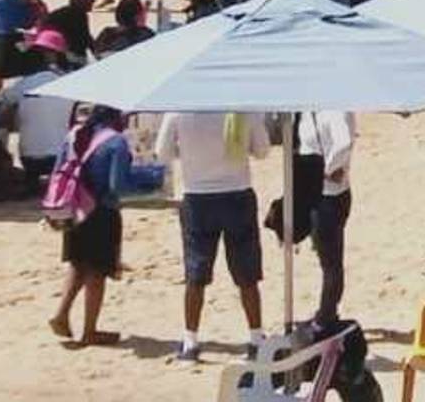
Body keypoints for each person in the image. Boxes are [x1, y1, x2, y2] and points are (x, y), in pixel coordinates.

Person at [155, 110, 271, 360]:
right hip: (237, 192)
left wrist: (189, 152)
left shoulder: (178, 110)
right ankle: (255, 337)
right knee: (246, 273)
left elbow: (162, 153)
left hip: (197, 196)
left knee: (196, 272)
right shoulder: (241, 109)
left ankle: (190, 340)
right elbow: (262, 151)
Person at [48, 106, 132, 347]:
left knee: (77, 263)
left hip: (74, 207)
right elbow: (117, 186)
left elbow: (58, 169)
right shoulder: (116, 142)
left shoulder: (74, 135)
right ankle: (89, 331)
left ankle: (61, 313)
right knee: (97, 271)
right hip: (102, 212)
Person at [0, 29, 77, 193]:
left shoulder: (23, 84)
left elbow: (4, 100)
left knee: (10, 113)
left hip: (29, 160)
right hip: (60, 158)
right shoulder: (69, 83)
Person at [298, 110, 356, 331]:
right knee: (328, 259)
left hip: (328, 196)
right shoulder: (313, 109)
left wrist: (326, 171)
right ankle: (326, 312)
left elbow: (344, 142)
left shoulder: (333, 109)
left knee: (330, 262)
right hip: (323, 194)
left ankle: (326, 317)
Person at [43, 0, 95, 70]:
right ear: (79, 0)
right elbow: (84, 38)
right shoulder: (77, 15)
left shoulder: (64, 12)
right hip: (64, 55)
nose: (93, 1)